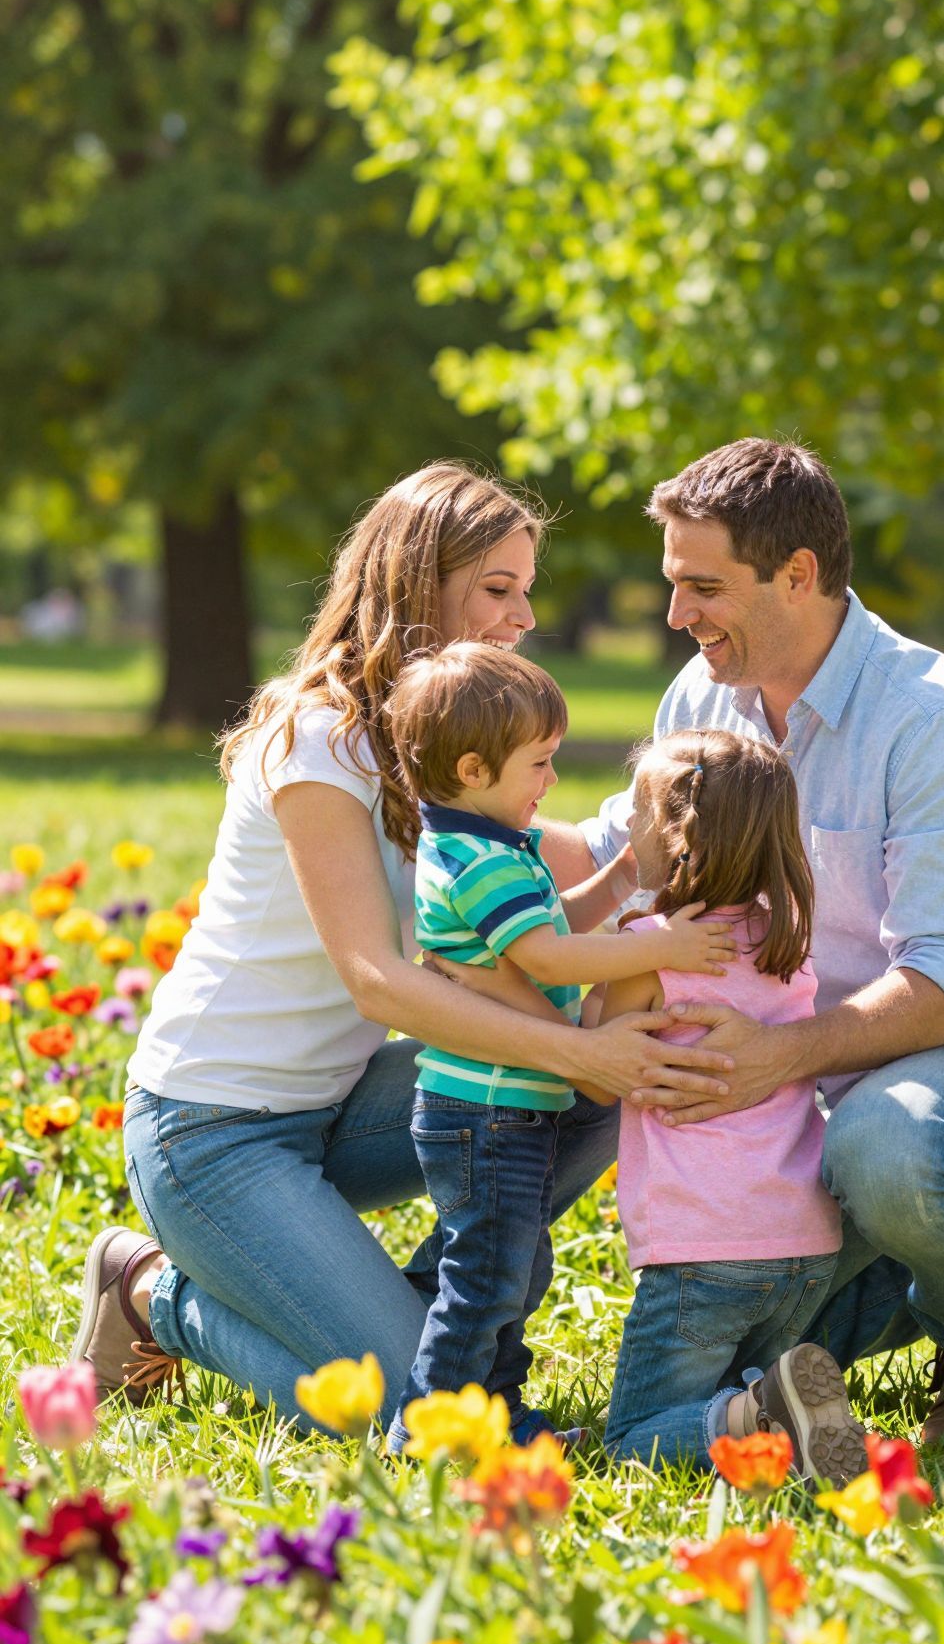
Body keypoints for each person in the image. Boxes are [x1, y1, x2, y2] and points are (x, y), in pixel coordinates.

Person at [69, 464, 734, 1433]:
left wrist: (716, 816)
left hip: (339, 1108)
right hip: (211, 1133)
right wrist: (578, 1049)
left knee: (596, 1095)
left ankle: (434, 1321)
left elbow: (588, 860)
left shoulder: (447, 745)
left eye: (525, 590)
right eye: (497, 589)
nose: (522, 618)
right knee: (409, 1418)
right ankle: (150, 1293)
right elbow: (376, 980)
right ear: (417, 583)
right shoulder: (320, 737)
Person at [542, 438, 944, 1445]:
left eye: (704, 587)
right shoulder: (700, 696)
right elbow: (621, 850)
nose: (676, 615)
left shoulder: (936, 722)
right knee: (749, 1351)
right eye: (673, 583)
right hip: (799, 1090)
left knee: (887, 1150)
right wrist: (449, 833)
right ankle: (942, 1253)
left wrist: (776, 1058)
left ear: (797, 574)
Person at [381, 644, 736, 1453]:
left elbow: (548, 926)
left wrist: (620, 878)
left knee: (513, 1269)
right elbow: (546, 958)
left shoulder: (492, 846)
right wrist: (661, 947)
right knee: (487, 1279)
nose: (551, 780)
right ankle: (426, 1429)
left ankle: (496, 1412)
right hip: (485, 1109)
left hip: (506, 1105)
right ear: (473, 770)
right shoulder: (476, 860)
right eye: (538, 763)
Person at [600, 729, 866, 1483]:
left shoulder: (651, 948)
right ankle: (771, 1410)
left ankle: (758, 1419)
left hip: (702, 1248)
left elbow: (595, 1071)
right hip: (804, 1243)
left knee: (634, 1439)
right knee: (729, 1383)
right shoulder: (786, 940)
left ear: (677, 838)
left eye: (638, 812)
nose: (627, 824)